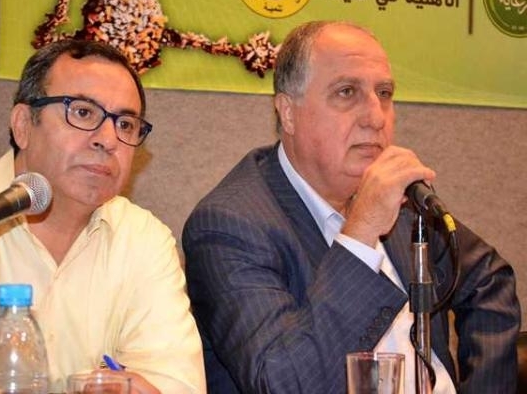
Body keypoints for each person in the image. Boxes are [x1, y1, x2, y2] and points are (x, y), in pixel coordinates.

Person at [182, 21, 520, 394]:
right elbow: (284, 383)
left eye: (384, 93)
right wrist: (362, 232)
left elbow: (488, 277)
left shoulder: (403, 202)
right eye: (347, 92)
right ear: (288, 113)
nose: (376, 117)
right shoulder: (228, 226)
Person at [0, 39, 205, 394]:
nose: (108, 139)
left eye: (125, 124)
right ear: (23, 125)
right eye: (83, 113)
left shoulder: (144, 241)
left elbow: (177, 387)